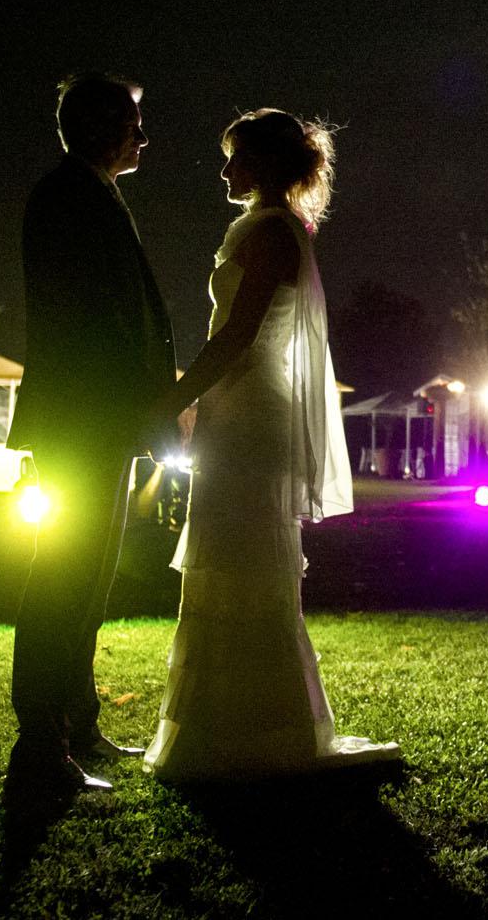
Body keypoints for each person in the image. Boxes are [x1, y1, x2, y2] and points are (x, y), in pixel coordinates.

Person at [144, 108, 399, 779]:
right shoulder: (268, 228)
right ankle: (225, 726)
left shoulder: (273, 232)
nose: (224, 171)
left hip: (253, 417)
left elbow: (238, 335)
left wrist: (174, 397)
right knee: (228, 563)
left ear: (260, 164)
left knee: (245, 563)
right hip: (237, 408)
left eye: (235, 158)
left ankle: (257, 732)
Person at [3, 74, 179, 811]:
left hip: (101, 418)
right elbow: (98, 323)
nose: (144, 137)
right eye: (134, 123)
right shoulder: (66, 197)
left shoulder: (88, 193)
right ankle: (40, 748)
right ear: (103, 128)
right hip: (85, 417)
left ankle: (77, 724)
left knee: (90, 577)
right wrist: (150, 407)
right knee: (64, 579)